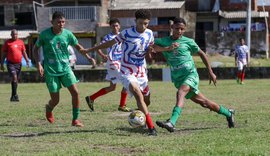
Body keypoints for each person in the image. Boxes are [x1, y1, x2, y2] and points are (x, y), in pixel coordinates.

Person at [81, 9, 159, 136]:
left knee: (147, 100)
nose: (143, 26)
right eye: (140, 23)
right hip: (126, 70)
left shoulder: (149, 33)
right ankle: (151, 128)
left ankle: (141, 116)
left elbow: (150, 47)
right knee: (138, 95)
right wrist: (90, 49)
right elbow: (108, 43)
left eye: (146, 24)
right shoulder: (126, 33)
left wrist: (151, 51)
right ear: (135, 21)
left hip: (141, 71)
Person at [152, 17, 235, 133]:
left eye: (182, 29)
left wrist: (210, 72)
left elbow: (202, 54)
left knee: (180, 93)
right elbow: (152, 46)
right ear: (172, 27)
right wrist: (167, 48)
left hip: (191, 75)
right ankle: (228, 113)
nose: (179, 31)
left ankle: (172, 122)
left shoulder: (188, 42)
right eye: (177, 28)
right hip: (178, 78)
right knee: (204, 103)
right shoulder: (164, 41)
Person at [33, 11, 87, 127]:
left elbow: (78, 47)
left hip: (66, 69)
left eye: (63, 22)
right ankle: (49, 108)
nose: (61, 24)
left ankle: (75, 120)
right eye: (58, 22)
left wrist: (88, 56)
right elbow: (35, 49)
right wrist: (38, 64)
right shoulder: (44, 35)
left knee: (75, 93)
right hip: (51, 71)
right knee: (55, 100)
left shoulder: (68, 34)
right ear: (51, 22)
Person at [85, 18, 130, 112]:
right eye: (113, 26)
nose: (115, 27)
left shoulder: (122, 36)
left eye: (117, 25)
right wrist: (103, 55)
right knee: (127, 80)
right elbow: (98, 47)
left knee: (112, 87)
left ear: (119, 26)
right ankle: (122, 105)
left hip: (120, 63)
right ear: (110, 27)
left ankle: (91, 98)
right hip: (113, 62)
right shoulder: (108, 37)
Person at [1, 29, 30, 102]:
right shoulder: (7, 43)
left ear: (18, 35)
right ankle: (15, 95)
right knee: (14, 77)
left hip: (19, 64)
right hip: (10, 63)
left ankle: (13, 96)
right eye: (13, 34)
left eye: (16, 34)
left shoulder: (21, 42)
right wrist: (1, 63)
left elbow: (24, 52)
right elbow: (4, 54)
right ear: (11, 35)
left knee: (15, 80)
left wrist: (27, 61)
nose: (15, 35)